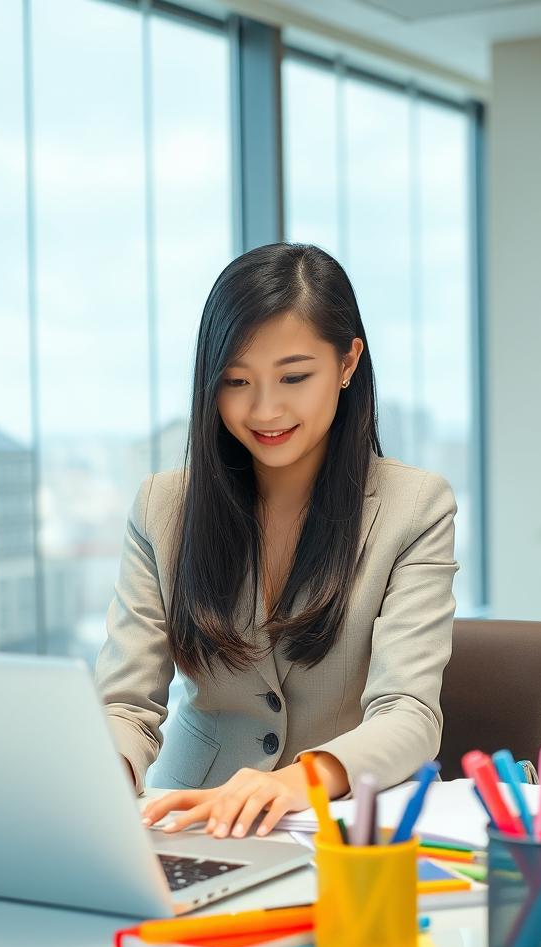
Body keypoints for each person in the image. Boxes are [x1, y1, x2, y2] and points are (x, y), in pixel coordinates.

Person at [96, 242, 458, 841]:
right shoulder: (163, 506)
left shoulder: (414, 507)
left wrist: (293, 784)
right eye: (236, 380)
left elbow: (409, 714)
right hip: (188, 816)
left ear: (347, 363)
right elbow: (125, 705)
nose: (264, 409)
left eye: (294, 376)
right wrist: (103, 775)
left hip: (336, 824)